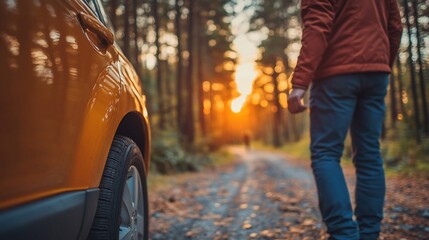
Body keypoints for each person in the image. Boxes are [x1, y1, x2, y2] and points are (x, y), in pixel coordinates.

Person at [287, 0, 402, 239]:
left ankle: (343, 234)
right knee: (370, 153)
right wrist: (380, 64)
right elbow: (395, 26)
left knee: (326, 153)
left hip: (335, 74)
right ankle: (369, 233)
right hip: (376, 73)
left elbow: (317, 27)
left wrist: (300, 83)